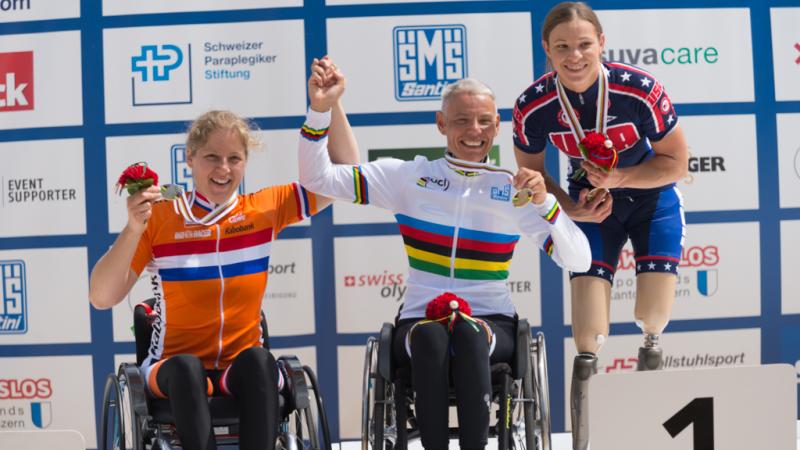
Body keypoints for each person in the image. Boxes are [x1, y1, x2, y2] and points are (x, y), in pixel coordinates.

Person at [299, 65, 591, 450]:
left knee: (468, 335)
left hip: (493, 322)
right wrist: (321, 111)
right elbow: (316, 179)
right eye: (462, 120)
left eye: (484, 121)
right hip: (420, 320)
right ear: (441, 124)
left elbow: (580, 261)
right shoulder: (408, 177)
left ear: (497, 127)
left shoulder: (515, 190)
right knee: (433, 337)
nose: (474, 131)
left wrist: (547, 204)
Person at [88, 58, 358, 450]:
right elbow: (101, 297)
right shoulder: (160, 218)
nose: (224, 168)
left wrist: (328, 105)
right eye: (212, 157)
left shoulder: (264, 209)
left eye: (235, 159)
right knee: (186, 367)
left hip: (238, 366)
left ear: (245, 163)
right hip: (171, 369)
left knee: (260, 361)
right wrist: (132, 230)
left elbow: (346, 175)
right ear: (189, 159)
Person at [512, 2, 689, 449]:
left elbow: (677, 163)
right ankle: (583, 440)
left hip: (651, 198)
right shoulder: (532, 106)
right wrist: (570, 208)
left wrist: (621, 178)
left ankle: (654, 432)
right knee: (588, 332)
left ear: (602, 44)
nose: (575, 56)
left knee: (653, 315)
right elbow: (532, 173)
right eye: (563, 47)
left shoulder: (640, 90)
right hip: (592, 205)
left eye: (584, 45)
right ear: (546, 51)